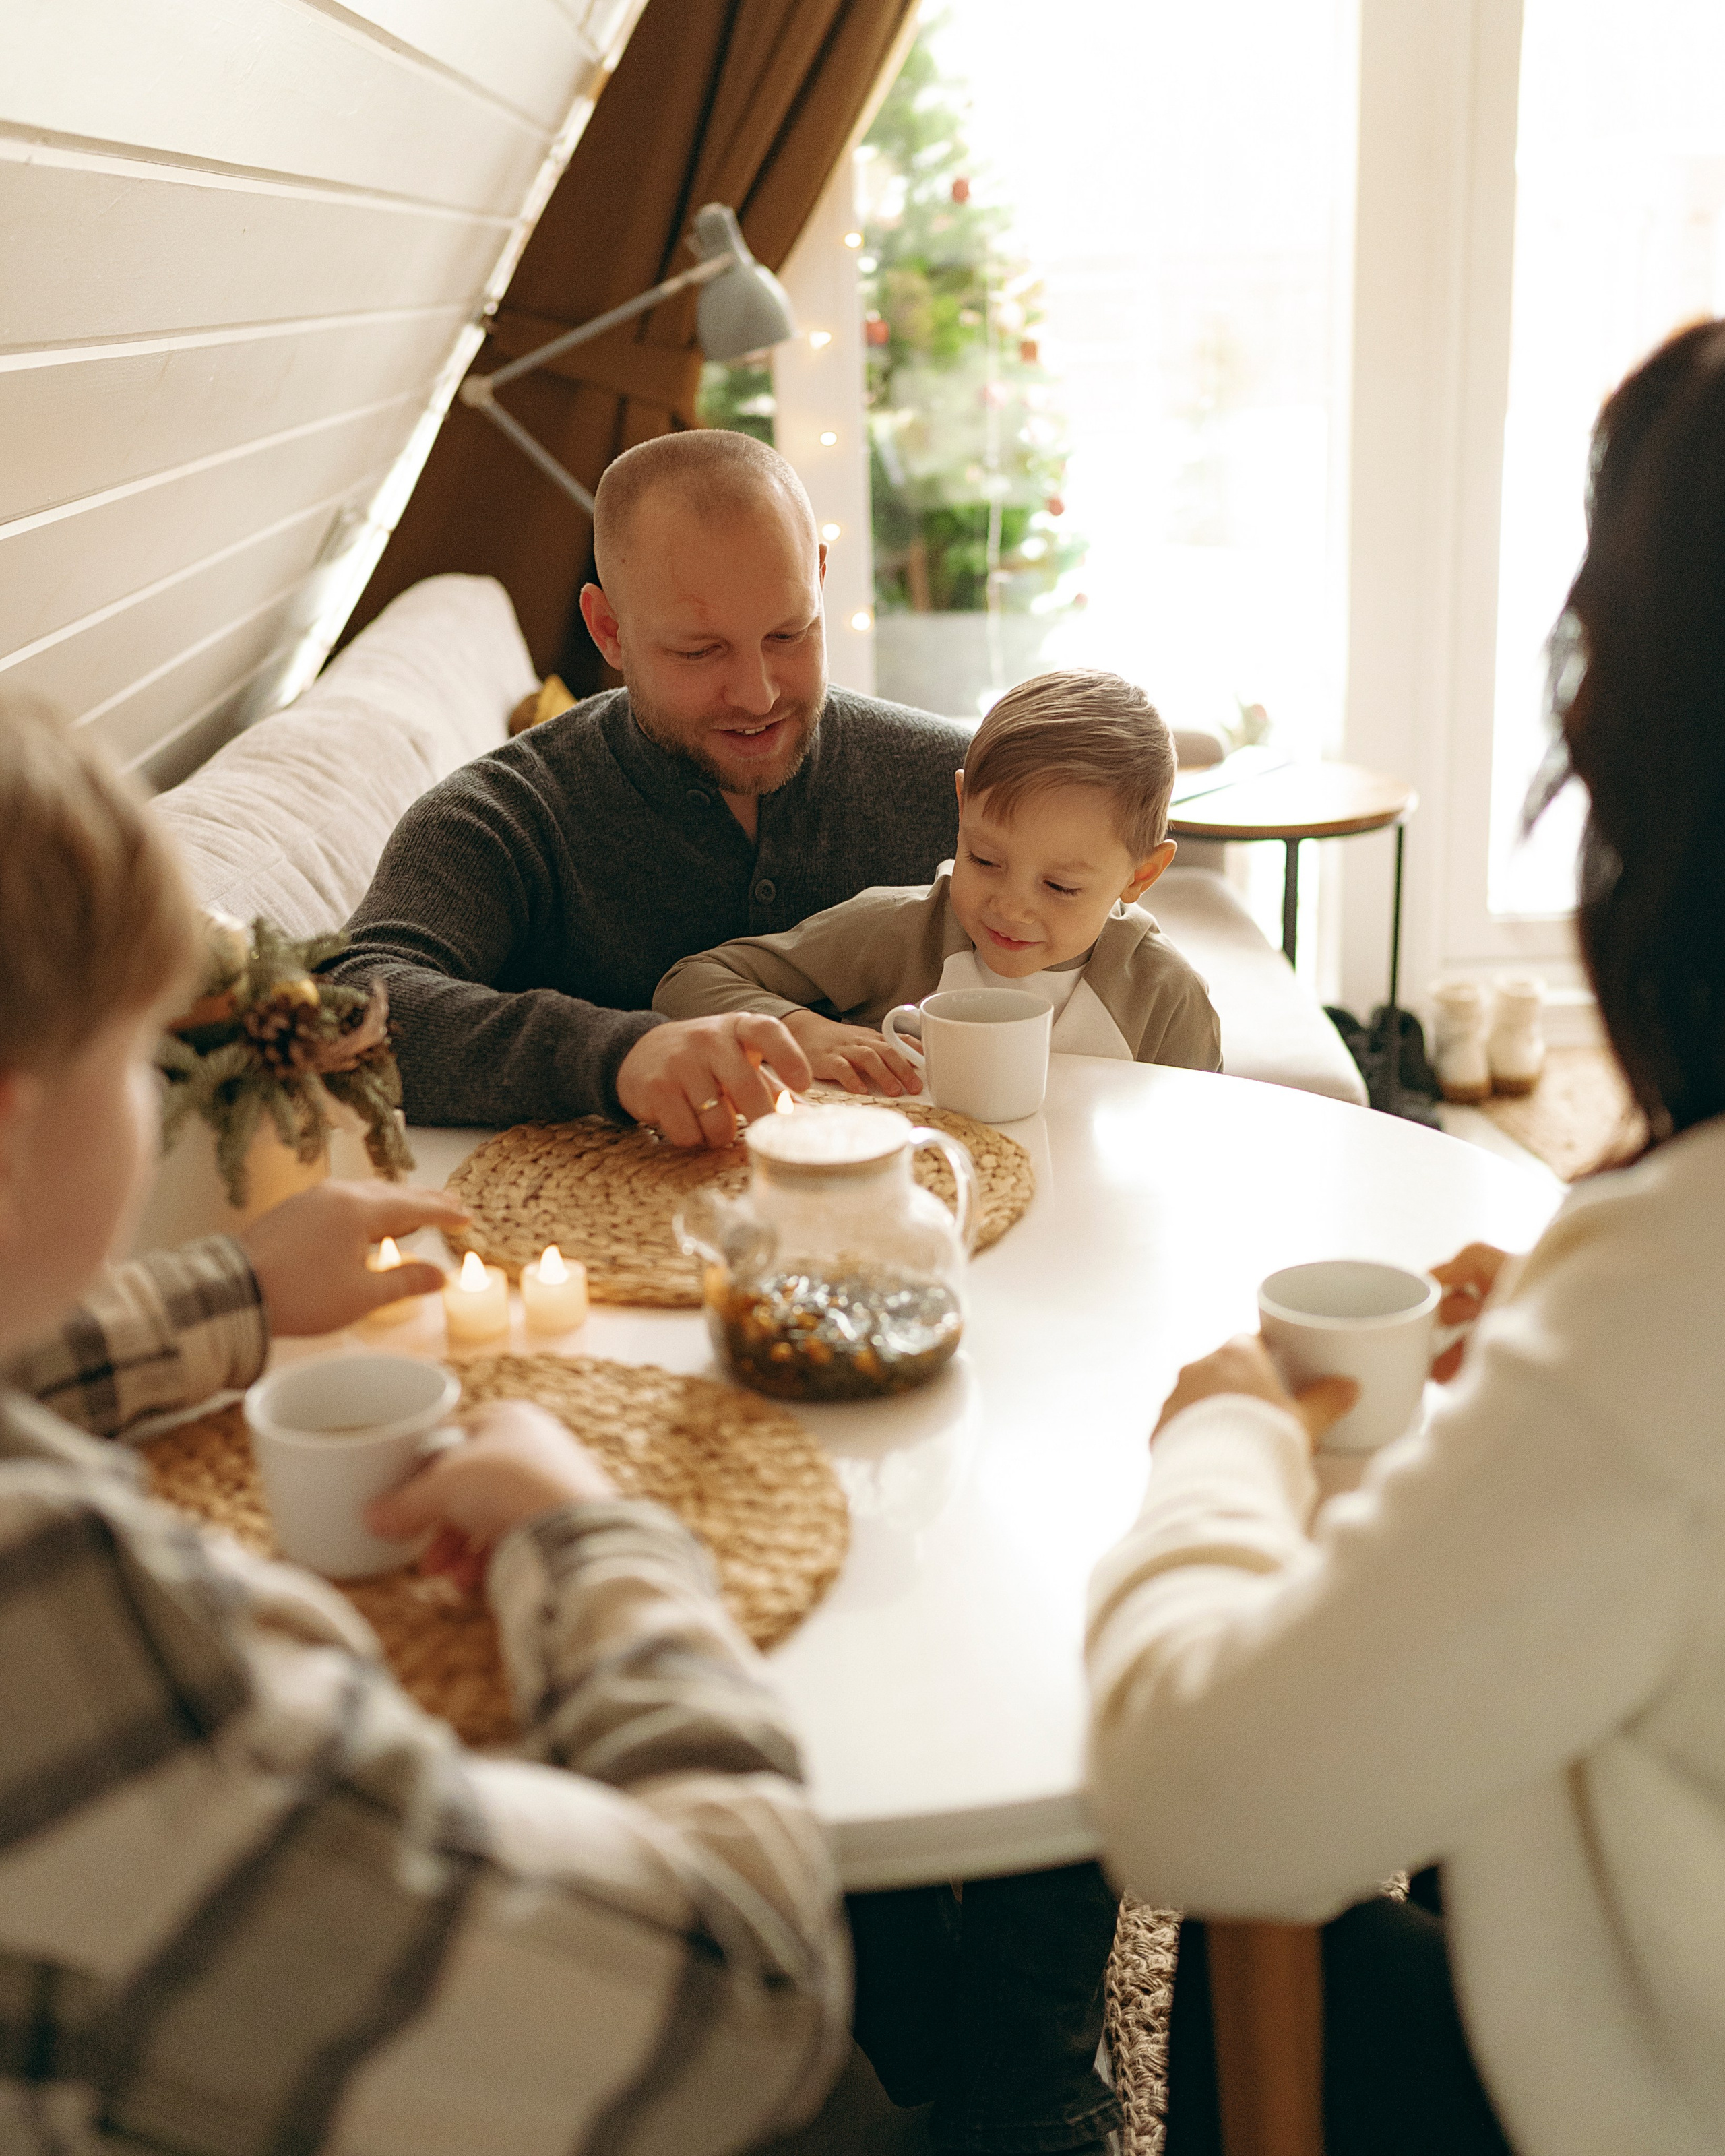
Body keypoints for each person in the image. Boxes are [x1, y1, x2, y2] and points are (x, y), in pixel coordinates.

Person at [0, 701, 849, 2151]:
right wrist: (588, 1541)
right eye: (136, 1057)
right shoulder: (61, 1608)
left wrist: (236, 1288)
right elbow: (745, 1993)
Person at [1084, 318, 1725, 2155]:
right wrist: (1567, 1367)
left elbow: (1196, 1792)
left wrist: (1223, 1437)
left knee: (1282, 1946)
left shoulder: (1671, 1295)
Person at [327, 429, 970, 1147]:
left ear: (819, 577)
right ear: (608, 630)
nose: (758, 694)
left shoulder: (958, 783)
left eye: (788, 634)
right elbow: (346, 1002)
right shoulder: (508, 816)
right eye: (700, 651)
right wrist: (618, 1055)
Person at [655, 669, 1222, 1085]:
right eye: (986, 860)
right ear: (961, 806)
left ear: (1141, 875)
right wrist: (804, 1030)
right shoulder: (900, 932)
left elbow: (1209, 1144)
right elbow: (690, 982)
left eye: (1060, 887)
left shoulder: (1165, 997)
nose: (1010, 909)